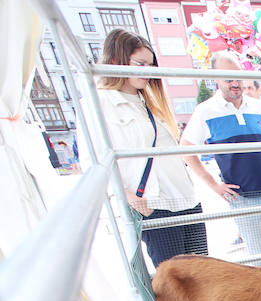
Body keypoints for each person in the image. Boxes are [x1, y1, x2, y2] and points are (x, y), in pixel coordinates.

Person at [82, 29, 207, 268]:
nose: (147, 71)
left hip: (186, 200)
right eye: (140, 64)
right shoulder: (99, 102)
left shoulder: (150, 102)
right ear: (116, 61)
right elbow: (94, 162)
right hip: (154, 205)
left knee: (203, 276)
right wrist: (128, 197)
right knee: (176, 281)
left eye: (150, 65)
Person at [181, 51, 261, 266]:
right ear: (215, 78)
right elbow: (186, 148)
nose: (235, 83)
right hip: (243, 198)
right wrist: (214, 185)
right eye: (228, 78)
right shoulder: (206, 111)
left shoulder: (259, 107)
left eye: (238, 77)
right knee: (259, 261)